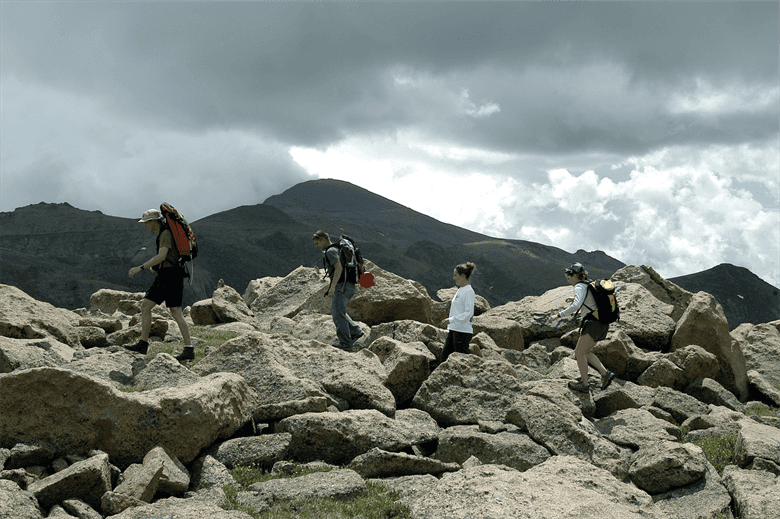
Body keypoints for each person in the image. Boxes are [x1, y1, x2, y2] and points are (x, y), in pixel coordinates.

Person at [125, 209, 193, 362]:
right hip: (165, 276)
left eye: (146, 222)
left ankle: (189, 349)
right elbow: (166, 257)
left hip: (171, 276)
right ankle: (143, 344)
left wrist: (139, 268)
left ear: (154, 221)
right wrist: (156, 268)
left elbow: (162, 255)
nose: (145, 226)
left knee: (175, 312)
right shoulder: (164, 233)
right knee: (146, 305)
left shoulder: (165, 234)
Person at [548, 262, 614, 392]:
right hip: (601, 323)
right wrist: (574, 298)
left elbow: (576, 306)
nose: (568, 282)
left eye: (569, 278)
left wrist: (557, 316)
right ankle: (605, 374)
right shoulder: (587, 284)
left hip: (593, 323)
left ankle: (585, 385)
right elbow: (588, 300)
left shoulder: (579, 286)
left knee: (579, 352)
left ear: (574, 276)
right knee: (586, 352)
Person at [313, 230, 364, 351]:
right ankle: (355, 331)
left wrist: (332, 287)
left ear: (323, 240)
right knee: (337, 310)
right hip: (349, 286)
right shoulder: (336, 249)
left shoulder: (331, 251)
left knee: (337, 315)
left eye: (317, 243)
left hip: (342, 286)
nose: (317, 247)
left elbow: (338, 268)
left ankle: (346, 344)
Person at [439, 262, 477, 363]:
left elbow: (469, 313)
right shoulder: (460, 290)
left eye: (456, 275)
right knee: (444, 359)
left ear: (463, 276)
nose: (453, 278)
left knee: (460, 362)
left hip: (462, 332)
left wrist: (451, 320)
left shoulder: (469, 291)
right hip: (454, 329)